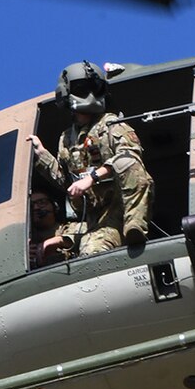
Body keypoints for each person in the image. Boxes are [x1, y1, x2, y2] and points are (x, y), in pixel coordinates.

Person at [31, 60, 152, 254]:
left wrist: (92, 178)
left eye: (95, 88)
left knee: (132, 166)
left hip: (119, 205)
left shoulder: (111, 124)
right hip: (95, 217)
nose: (90, 95)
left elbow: (129, 157)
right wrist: (41, 155)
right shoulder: (66, 139)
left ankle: (134, 227)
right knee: (91, 252)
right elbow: (66, 181)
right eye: (82, 89)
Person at [28, 188, 75, 268]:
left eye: (42, 202)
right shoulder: (26, 240)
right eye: (31, 206)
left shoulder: (72, 228)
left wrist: (59, 241)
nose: (36, 208)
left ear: (55, 206)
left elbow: (81, 238)